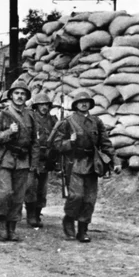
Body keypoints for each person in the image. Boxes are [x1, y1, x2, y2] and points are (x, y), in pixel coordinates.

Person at [52, 90, 118, 243]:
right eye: (80, 102)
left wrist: (115, 162)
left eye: (86, 102)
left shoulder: (97, 122)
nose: (83, 104)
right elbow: (57, 144)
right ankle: (69, 219)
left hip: (92, 164)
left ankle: (83, 230)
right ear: (75, 105)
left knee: (89, 200)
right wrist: (71, 142)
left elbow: (105, 144)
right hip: (74, 163)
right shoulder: (68, 122)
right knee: (76, 196)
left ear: (90, 104)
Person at [0, 80, 36, 242]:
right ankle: (1, 222)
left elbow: (34, 141)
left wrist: (34, 163)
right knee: (4, 193)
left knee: (18, 197)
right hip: (5, 159)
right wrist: (9, 132)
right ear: (10, 96)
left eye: (23, 94)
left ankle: (12, 227)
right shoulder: (1, 114)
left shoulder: (30, 116)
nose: (20, 96)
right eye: (17, 93)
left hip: (23, 160)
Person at [25, 92, 58, 228]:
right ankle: (31, 215)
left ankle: (37, 213)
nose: (44, 107)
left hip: (46, 157)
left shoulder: (53, 120)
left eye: (46, 104)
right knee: (30, 187)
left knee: (42, 189)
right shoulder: (31, 118)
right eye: (41, 104)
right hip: (33, 156)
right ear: (36, 106)